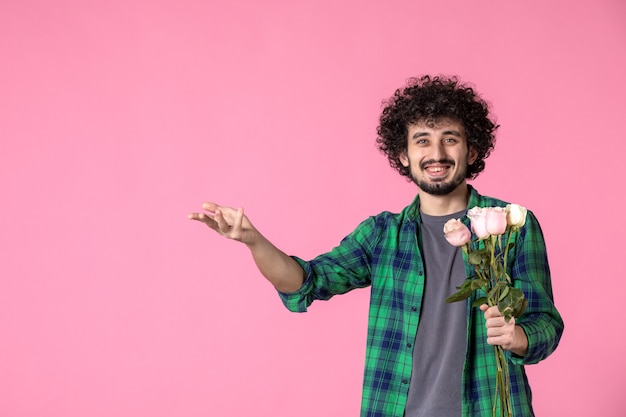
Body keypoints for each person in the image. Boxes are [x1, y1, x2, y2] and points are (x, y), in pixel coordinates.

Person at [188, 75, 564, 417]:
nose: (437, 153)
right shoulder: (382, 235)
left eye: (450, 138)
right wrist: (254, 242)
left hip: (490, 408)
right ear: (403, 155)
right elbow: (306, 282)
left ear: (472, 150)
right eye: (422, 141)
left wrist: (518, 337)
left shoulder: (513, 224)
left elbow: (546, 324)